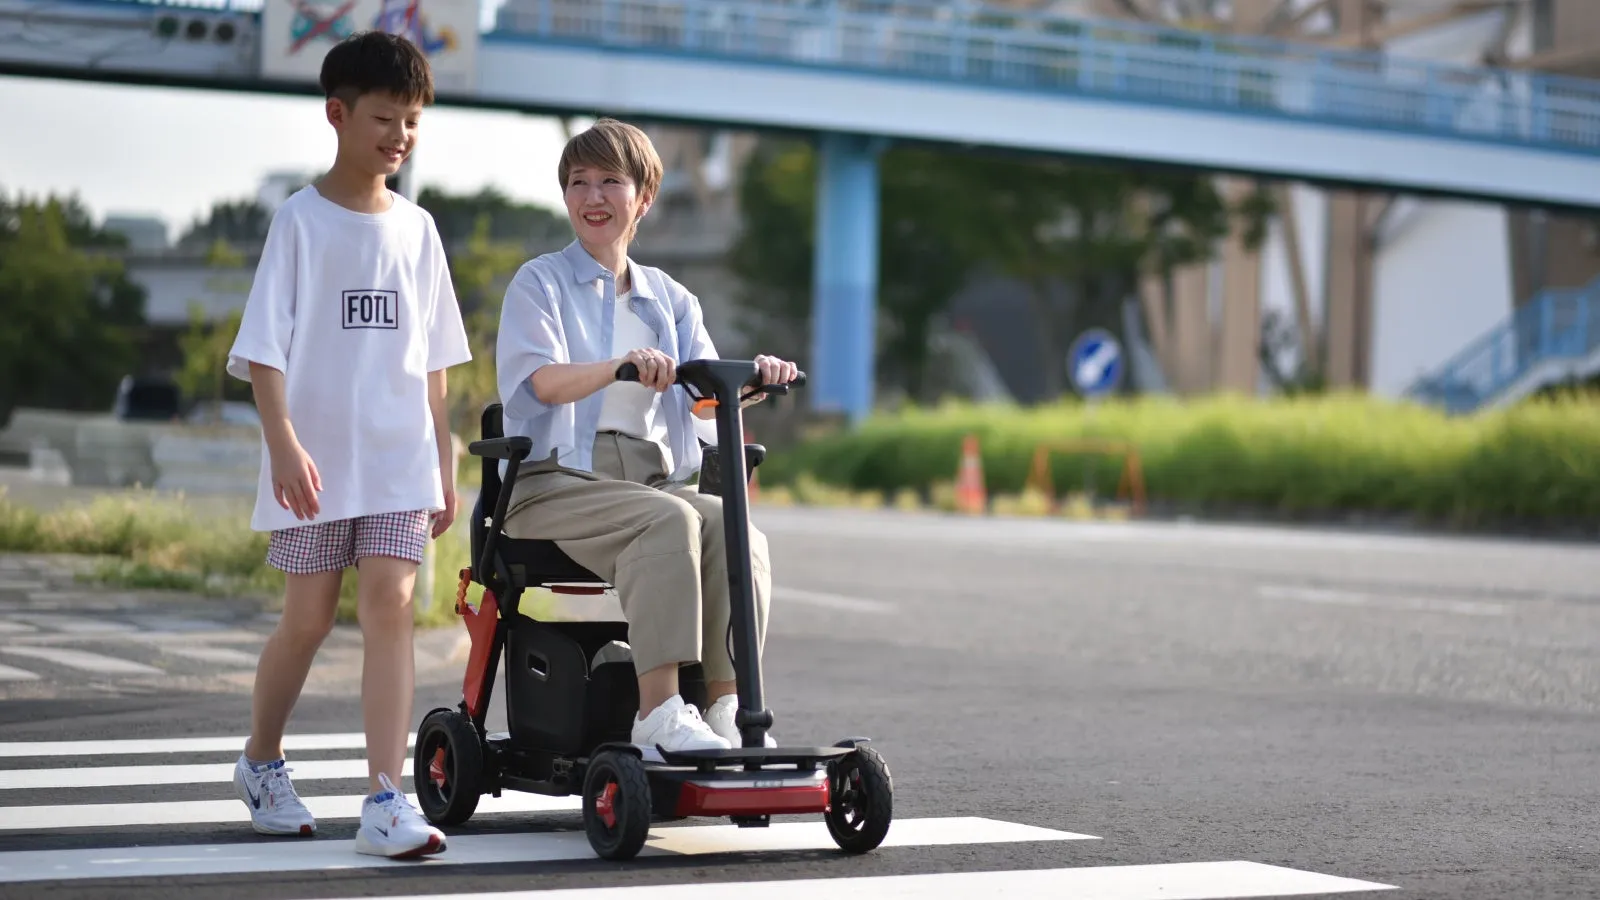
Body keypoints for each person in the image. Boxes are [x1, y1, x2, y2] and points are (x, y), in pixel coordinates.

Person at [223, 30, 473, 858]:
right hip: (317, 466)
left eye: (411, 123)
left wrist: (444, 461)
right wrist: (284, 444)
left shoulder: (420, 230)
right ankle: (261, 762)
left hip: (400, 461)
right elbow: (262, 351)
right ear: (337, 114)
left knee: (392, 610)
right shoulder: (299, 222)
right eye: (385, 119)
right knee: (308, 618)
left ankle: (385, 798)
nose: (400, 136)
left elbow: (435, 364)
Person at [495, 118, 799, 759]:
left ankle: (725, 706)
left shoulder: (670, 299)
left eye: (611, 181)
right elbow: (541, 383)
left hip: (648, 478)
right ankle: (659, 711)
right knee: (666, 522)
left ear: (645, 198)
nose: (593, 197)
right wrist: (617, 366)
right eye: (579, 182)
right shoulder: (540, 282)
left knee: (734, 527)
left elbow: (709, 399)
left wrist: (759, 380)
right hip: (554, 480)